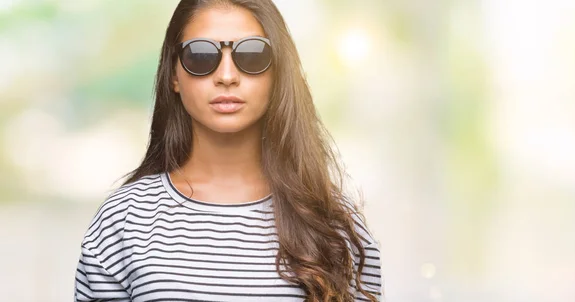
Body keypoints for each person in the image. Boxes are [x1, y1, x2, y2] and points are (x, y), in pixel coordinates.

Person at [73, 0, 382, 301]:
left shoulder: (331, 224)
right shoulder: (124, 218)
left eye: (252, 55)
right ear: (173, 75)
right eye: (200, 56)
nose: (227, 76)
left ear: (278, 74)